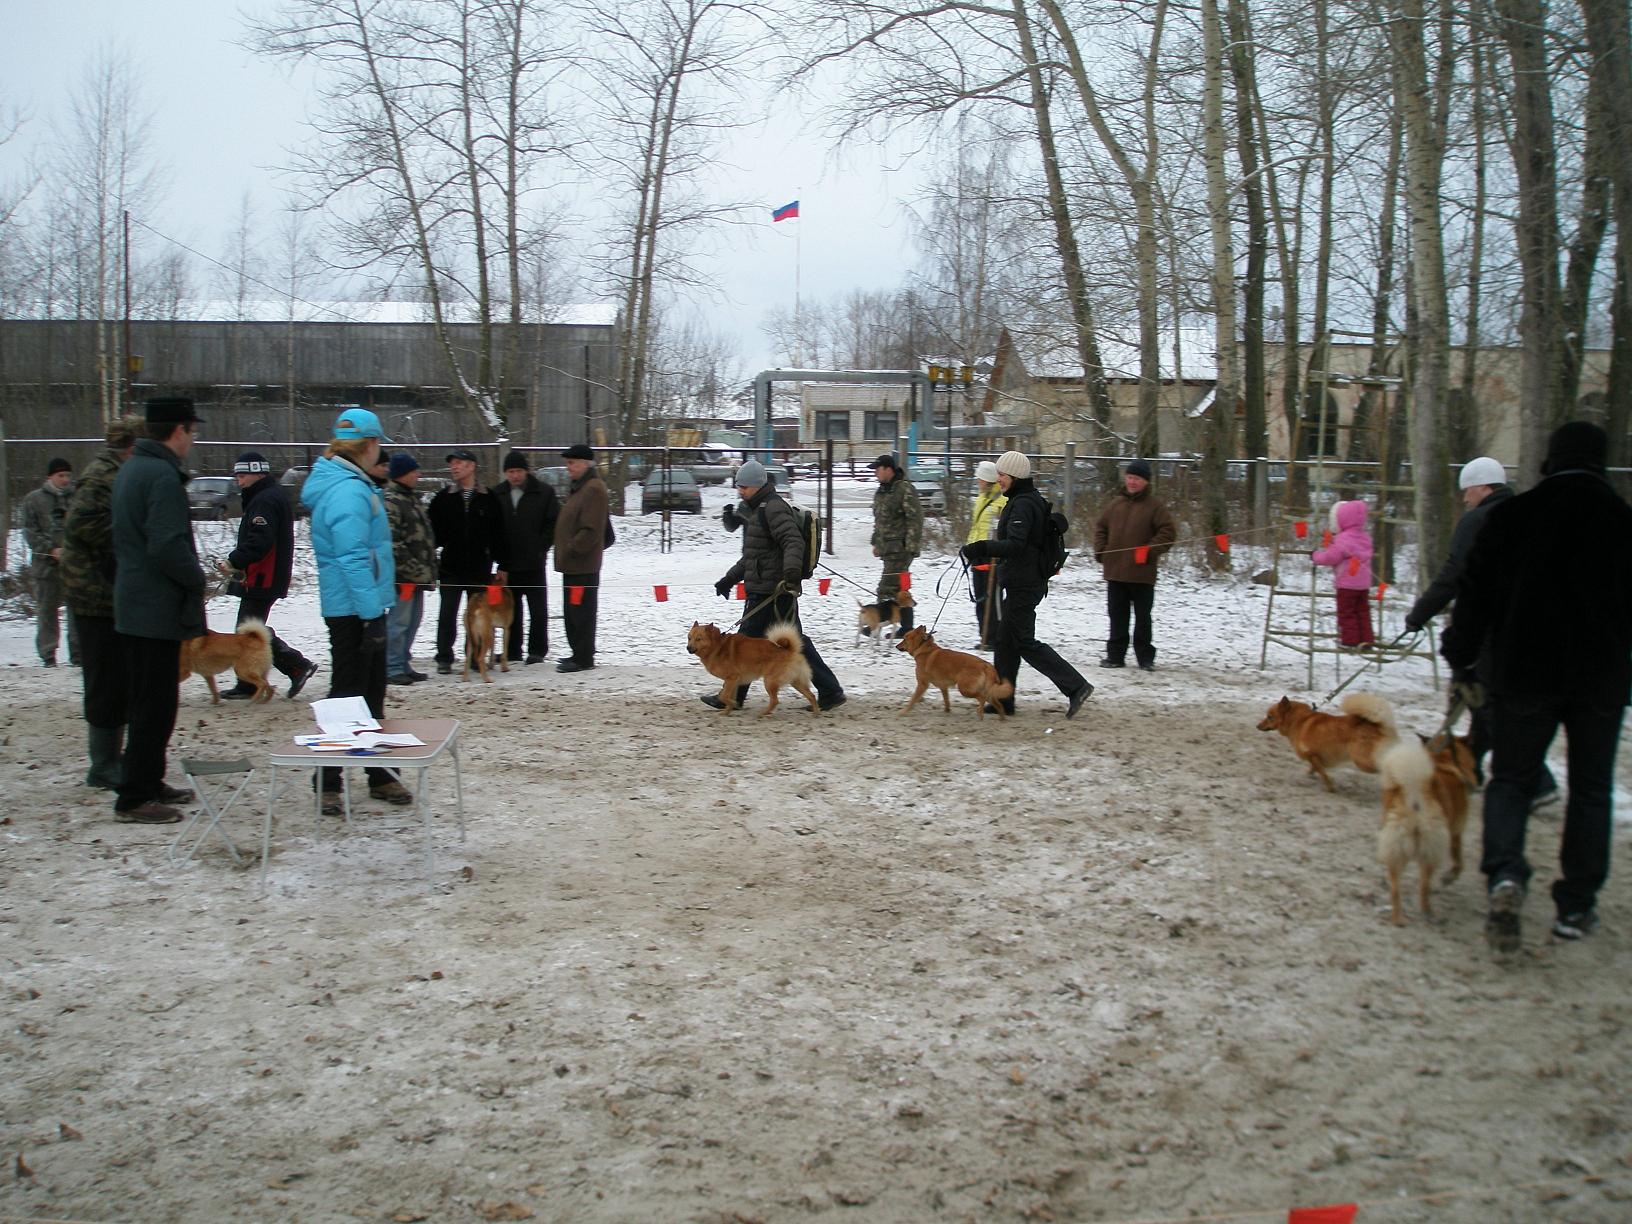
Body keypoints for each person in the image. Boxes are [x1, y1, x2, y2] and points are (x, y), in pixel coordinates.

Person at [1442, 422, 1632, 952]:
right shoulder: (1622, 522)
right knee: (1591, 789)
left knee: (1510, 778)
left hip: (1525, 672)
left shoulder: (1514, 517)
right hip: (1599, 679)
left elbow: (1474, 592)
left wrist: (1461, 655)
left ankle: (1505, 875)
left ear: (1551, 459)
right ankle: (1576, 904)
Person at [1404, 456, 1556, 801]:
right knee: (1486, 702)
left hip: (1487, 628)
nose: (1464, 498)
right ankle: (1474, 766)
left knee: (1484, 701)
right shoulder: (1530, 514)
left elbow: (1456, 573)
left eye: (1467, 490)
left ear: (1483, 487)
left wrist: (1420, 614)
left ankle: (1538, 780)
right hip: (1530, 627)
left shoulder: (1477, 521)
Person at [300, 409, 411, 813]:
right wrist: (370, 616)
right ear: (369, 444)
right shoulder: (348, 491)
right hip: (354, 610)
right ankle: (327, 778)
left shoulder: (354, 484)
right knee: (347, 694)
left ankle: (378, 773)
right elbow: (352, 558)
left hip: (360, 605)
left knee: (371, 691)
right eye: (379, 443)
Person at [109, 397, 208, 824]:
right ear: (179, 430)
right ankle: (134, 796)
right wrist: (195, 577)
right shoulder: (161, 475)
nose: (193, 439)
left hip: (135, 603)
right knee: (155, 705)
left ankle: (149, 780)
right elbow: (167, 544)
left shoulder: (133, 468)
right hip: (154, 608)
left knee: (148, 701)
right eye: (192, 431)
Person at [960, 451, 1093, 718]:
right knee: (1004, 641)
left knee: (1023, 641)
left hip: (1025, 583)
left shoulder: (1023, 504)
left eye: (1002, 475)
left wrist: (982, 547)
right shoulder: (1024, 499)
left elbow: (1016, 545)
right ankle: (1004, 699)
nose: (998, 479)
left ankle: (1076, 686)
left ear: (1015, 476)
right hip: (1023, 581)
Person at [706, 459, 845, 711]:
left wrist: (791, 574)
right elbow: (753, 557)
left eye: (744, 487)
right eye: (738, 486)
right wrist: (729, 579)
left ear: (758, 485)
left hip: (774, 590)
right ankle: (830, 691)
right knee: (783, 642)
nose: (740, 491)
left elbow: (793, 541)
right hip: (763, 587)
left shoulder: (773, 508)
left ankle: (733, 696)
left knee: (760, 641)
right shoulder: (756, 510)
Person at [60, 415, 143, 790]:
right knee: (105, 679)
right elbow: (81, 524)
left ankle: (113, 757)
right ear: (133, 446)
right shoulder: (101, 476)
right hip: (93, 594)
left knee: (117, 677)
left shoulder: (115, 472)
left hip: (107, 591)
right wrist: (128, 535)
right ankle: (104, 764)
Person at [216, 451, 319, 700]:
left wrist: (234, 561)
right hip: (263, 575)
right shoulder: (266, 496)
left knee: (249, 632)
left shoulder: (264, 500)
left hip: (263, 576)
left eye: (242, 475)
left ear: (258, 473)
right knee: (251, 629)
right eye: (237, 476)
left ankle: (293, 667)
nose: (239, 481)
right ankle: (256, 680)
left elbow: (260, 541)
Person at [1091, 458, 1177, 670]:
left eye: (1136, 479)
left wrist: (1149, 551)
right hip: (1115, 573)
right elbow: (1101, 528)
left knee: (1143, 618)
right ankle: (1115, 656)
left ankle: (1145, 658)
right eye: (1129, 477)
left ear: (1146, 481)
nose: (1132, 482)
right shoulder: (1115, 505)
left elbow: (1168, 533)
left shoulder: (1155, 507)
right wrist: (1101, 551)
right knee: (1117, 616)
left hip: (1142, 573)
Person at [429, 448, 508, 675]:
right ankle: (444, 657)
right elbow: (432, 534)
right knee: (447, 613)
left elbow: (499, 534)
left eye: (459, 463)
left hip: (479, 567)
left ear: (472, 466)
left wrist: (502, 564)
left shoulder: (488, 498)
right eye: (452, 463)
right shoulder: (443, 498)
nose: (454, 467)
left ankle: (475, 656)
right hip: (451, 567)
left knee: (477, 615)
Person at [491, 449, 560, 664]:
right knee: (512, 609)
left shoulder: (543, 492)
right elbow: (492, 528)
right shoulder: (497, 494)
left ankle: (537, 650)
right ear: (505, 473)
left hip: (534, 562)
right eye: (511, 472)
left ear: (526, 471)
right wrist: (500, 558)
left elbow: (553, 523)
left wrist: (541, 547)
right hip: (508, 563)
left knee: (538, 610)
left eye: (519, 471)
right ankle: (512, 650)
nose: (515, 476)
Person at [553, 443, 609, 673]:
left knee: (581, 612)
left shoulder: (593, 488)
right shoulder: (580, 487)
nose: (568, 467)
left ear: (585, 463)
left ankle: (583, 657)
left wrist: (571, 548)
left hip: (582, 565)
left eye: (572, 463)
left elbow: (591, 529)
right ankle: (578, 652)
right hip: (573, 565)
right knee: (572, 611)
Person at [382, 453, 437, 685]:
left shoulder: (411, 498)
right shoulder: (392, 501)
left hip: (418, 576)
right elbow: (393, 543)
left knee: (413, 620)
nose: (418, 475)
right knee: (399, 621)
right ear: (402, 474)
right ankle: (391, 666)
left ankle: (402, 661)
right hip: (403, 577)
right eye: (414, 471)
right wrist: (413, 569)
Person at [21, 456, 80, 667]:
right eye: (61, 475)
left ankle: (78, 653)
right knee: (47, 610)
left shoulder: (78, 498)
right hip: (46, 566)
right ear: (50, 477)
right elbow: (30, 531)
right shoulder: (33, 500)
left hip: (74, 564)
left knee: (77, 610)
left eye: (68, 475)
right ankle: (48, 654)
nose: (65, 479)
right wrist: (50, 549)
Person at [1311, 498, 1375, 650]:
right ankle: (1367, 640)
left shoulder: (1343, 539)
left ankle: (1350, 641)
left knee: (1347, 612)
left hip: (1347, 585)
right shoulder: (1365, 537)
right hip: (1364, 585)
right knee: (1363, 612)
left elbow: (1331, 557)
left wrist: (1315, 556)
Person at [870, 452, 922, 630]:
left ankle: (877, 622)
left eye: (878, 469)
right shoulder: (881, 491)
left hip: (900, 549)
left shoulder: (904, 489)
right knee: (900, 588)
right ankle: (906, 627)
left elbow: (915, 518)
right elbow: (879, 520)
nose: (875, 473)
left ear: (888, 469)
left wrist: (911, 546)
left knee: (886, 588)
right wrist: (876, 542)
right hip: (887, 549)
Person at [966, 460, 1007, 649]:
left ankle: (996, 637)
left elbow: (1001, 531)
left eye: (980, 479)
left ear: (988, 480)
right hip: (978, 555)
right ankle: (985, 635)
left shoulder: (1001, 502)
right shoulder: (981, 499)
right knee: (980, 597)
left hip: (993, 556)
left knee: (993, 598)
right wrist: (969, 548)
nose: (978, 482)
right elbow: (976, 527)